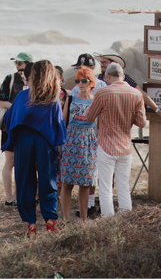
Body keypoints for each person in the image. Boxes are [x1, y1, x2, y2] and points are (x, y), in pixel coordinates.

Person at [2, 59, 67, 234]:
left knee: (24, 180)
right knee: (48, 180)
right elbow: (58, 123)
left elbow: (10, 120)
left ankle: (30, 223)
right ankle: (50, 221)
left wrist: (13, 139)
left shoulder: (23, 96)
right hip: (45, 141)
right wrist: (59, 144)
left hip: (24, 141)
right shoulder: (53, 97)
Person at [85, 62, 146, 217]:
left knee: (105, 188)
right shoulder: (136, 94)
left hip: (106, 144)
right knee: (124, 186)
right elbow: (141, 122)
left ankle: (109, 222)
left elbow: (89, 117)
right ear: (123, 76)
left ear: (108, 76)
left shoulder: (102, 93)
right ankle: (126, 220)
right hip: (125, 146)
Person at [58, 66, 99, 221]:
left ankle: (83, 219)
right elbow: (62, 121)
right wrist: (60, 145)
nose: (80, 83)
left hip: (89, 142)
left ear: (91, 82)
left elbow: (99, 125)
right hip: (70, 141)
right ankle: (66, 218)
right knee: (67, 183)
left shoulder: (96, 100)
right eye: (77, 80)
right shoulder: (71, 98)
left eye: (84, 80)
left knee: (85, 183)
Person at [0, 52, 34, 207]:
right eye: (16, 64)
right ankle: (9, 197)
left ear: (29, 64)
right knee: (9, 162)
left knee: (27, 162)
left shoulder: (35, 80)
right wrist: (17, 108)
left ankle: (24, 195)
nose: (18, 66)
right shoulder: (10, 78)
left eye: (21, 63)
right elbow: (1, 101)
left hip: (29, 126)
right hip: (11, 126)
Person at [95, 50, 161, 119]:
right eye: (100, 62)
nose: (101, 65)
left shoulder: (124, 78)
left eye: (104, 62)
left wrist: (158, 110)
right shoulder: (97, 78)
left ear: (113, 63)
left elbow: (141, 94)